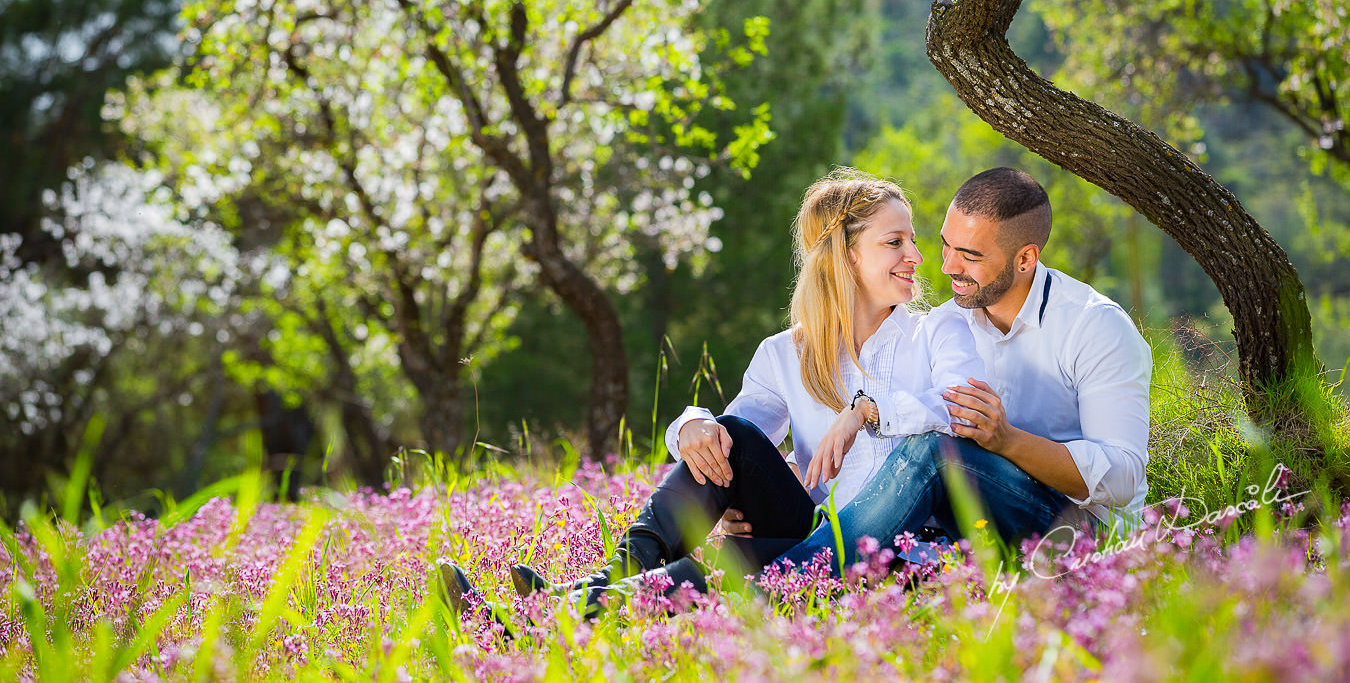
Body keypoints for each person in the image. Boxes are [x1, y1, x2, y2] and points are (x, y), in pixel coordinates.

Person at [442, 168, 983, 619]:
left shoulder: (938, 330)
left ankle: (551, 614)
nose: (916, 255)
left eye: (913, 239)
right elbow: (734, 446)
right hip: (812, 533)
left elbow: (960, 413)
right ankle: (609, 577)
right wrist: (692, 428)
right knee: (732, 438)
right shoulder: (783, 353)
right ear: (843, 256)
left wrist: (865, 412)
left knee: (744, 559)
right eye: (895, 241)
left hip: (905, 546)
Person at [768, 167, 1152, 576]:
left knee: (937, 453)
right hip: (972, 528)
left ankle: (776, 590)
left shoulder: (1095, 326)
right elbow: (905, 424)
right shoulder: (947, 321)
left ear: (1025, 259)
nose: (949, 267)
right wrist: (794, 466)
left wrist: (1006, 441)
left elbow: (1124, 476)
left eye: (970, 255)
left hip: (1079, 535)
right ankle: (763, 579)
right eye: (946, 246)